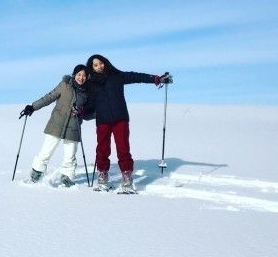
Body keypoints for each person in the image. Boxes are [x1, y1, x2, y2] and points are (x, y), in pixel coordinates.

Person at [82, 54, 172, 193]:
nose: (99, 66)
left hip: (120, 118)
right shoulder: (91, 84)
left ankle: (127, 177)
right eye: (95, 65)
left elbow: (136, 77)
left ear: (105, 62)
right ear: (91, 68)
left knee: (123, 148)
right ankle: (102, 175)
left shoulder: (117, 76)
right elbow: (89, 104)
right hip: (102, 121)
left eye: (101, 63)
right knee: (102, 149)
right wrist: (80, 111)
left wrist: (156, 78)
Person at [20, 64, 90, 187]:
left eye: (84, 75)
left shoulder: (87, 92)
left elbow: (90, 112)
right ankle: (36, 173)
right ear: (74, 75)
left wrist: (80, 111)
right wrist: (33, 107)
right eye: (79, 74)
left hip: (73, 127)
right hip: (57, 123)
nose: (81, 77)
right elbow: (49, 97)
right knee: (46, 151)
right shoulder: (64, 85)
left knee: (70, 155)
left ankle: (67, 177)